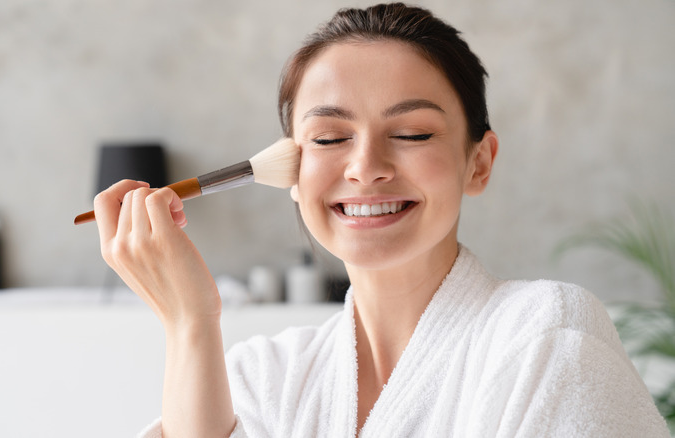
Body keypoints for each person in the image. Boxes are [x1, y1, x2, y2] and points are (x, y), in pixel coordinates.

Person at [93, 3, 668, 437]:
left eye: (413, 133)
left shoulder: (545, 337)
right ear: (291, 171)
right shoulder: (262, 379)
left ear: (479, 161)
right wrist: (190, 323)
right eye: (329, 137)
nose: (366, 168)